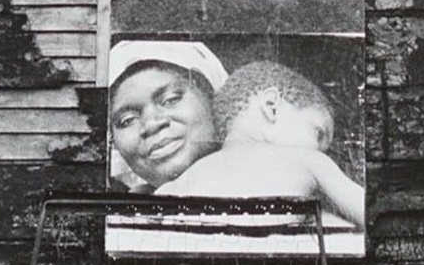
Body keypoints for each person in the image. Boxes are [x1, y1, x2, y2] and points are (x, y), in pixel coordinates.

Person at [161, 60, 365, 229]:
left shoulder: (177, 184)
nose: (322, 150)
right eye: (319, 133)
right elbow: (365, 212)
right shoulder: (309, 161)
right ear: (271, 107)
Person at [108, 40, 226, 189]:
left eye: (171, 100)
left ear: (211, 97)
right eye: (127, 120)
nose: (151, 124)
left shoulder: (262, 187)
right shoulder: (125, 211)